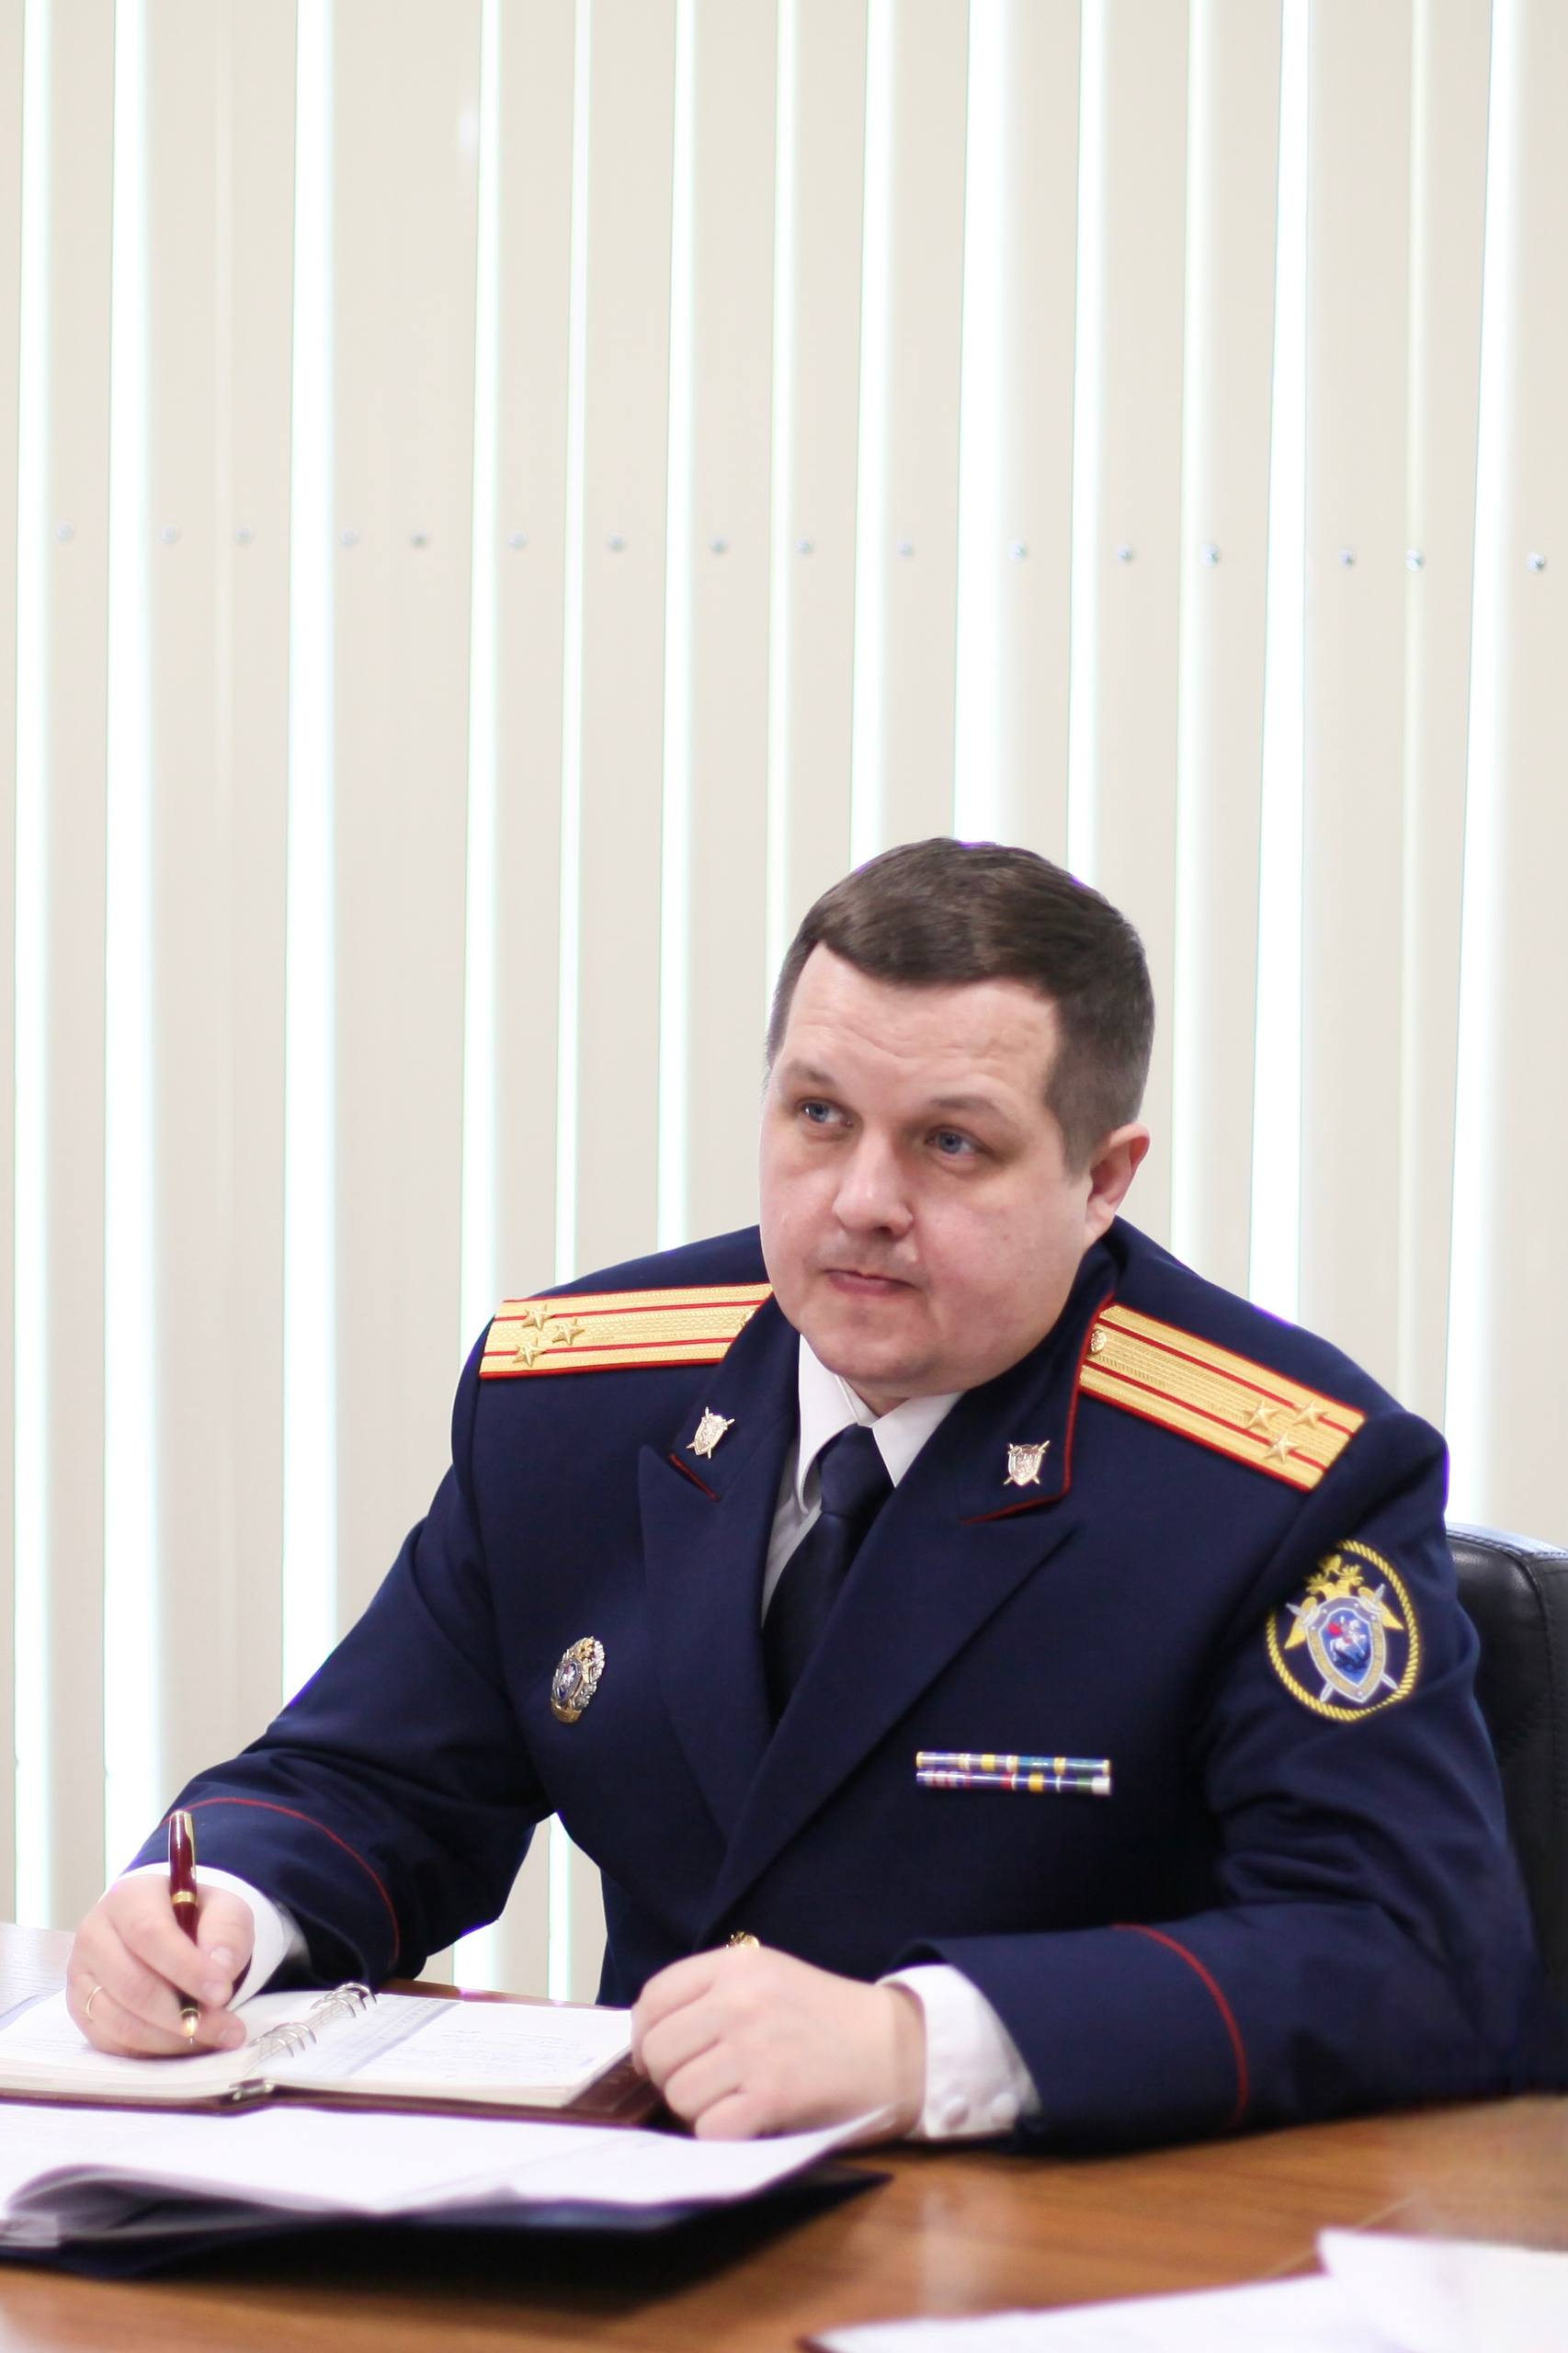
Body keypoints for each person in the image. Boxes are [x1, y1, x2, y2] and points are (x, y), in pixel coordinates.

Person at [67, 839, 1545, 2149]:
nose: (861, 1202)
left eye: (951, 1144)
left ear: (1102, 1178)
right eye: (820, 1115)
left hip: (1069, 2243)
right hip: (634, 2221)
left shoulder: (1274, 1479)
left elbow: (1413, 1953)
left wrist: (919, 2047)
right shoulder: (575, 1397)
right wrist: (219, 1914)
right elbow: (376, 1778)